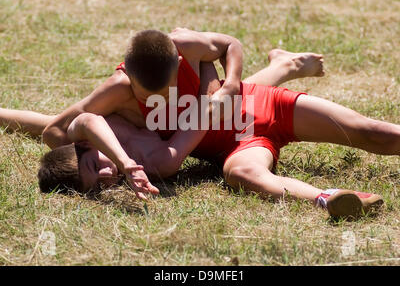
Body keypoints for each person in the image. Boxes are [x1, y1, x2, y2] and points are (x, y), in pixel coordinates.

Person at [1, 52, 386, 219]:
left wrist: (119, 159)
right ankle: (329, 199)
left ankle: (283, 66)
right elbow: (205, 116)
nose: (107, 175)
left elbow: (65, 124)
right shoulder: (155, 165)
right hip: (236, 143)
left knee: (371, 133)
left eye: (95, 165)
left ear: (83, 146)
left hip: (259, 107)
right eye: (99, 185)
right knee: (243, 175)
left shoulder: (105, 118)